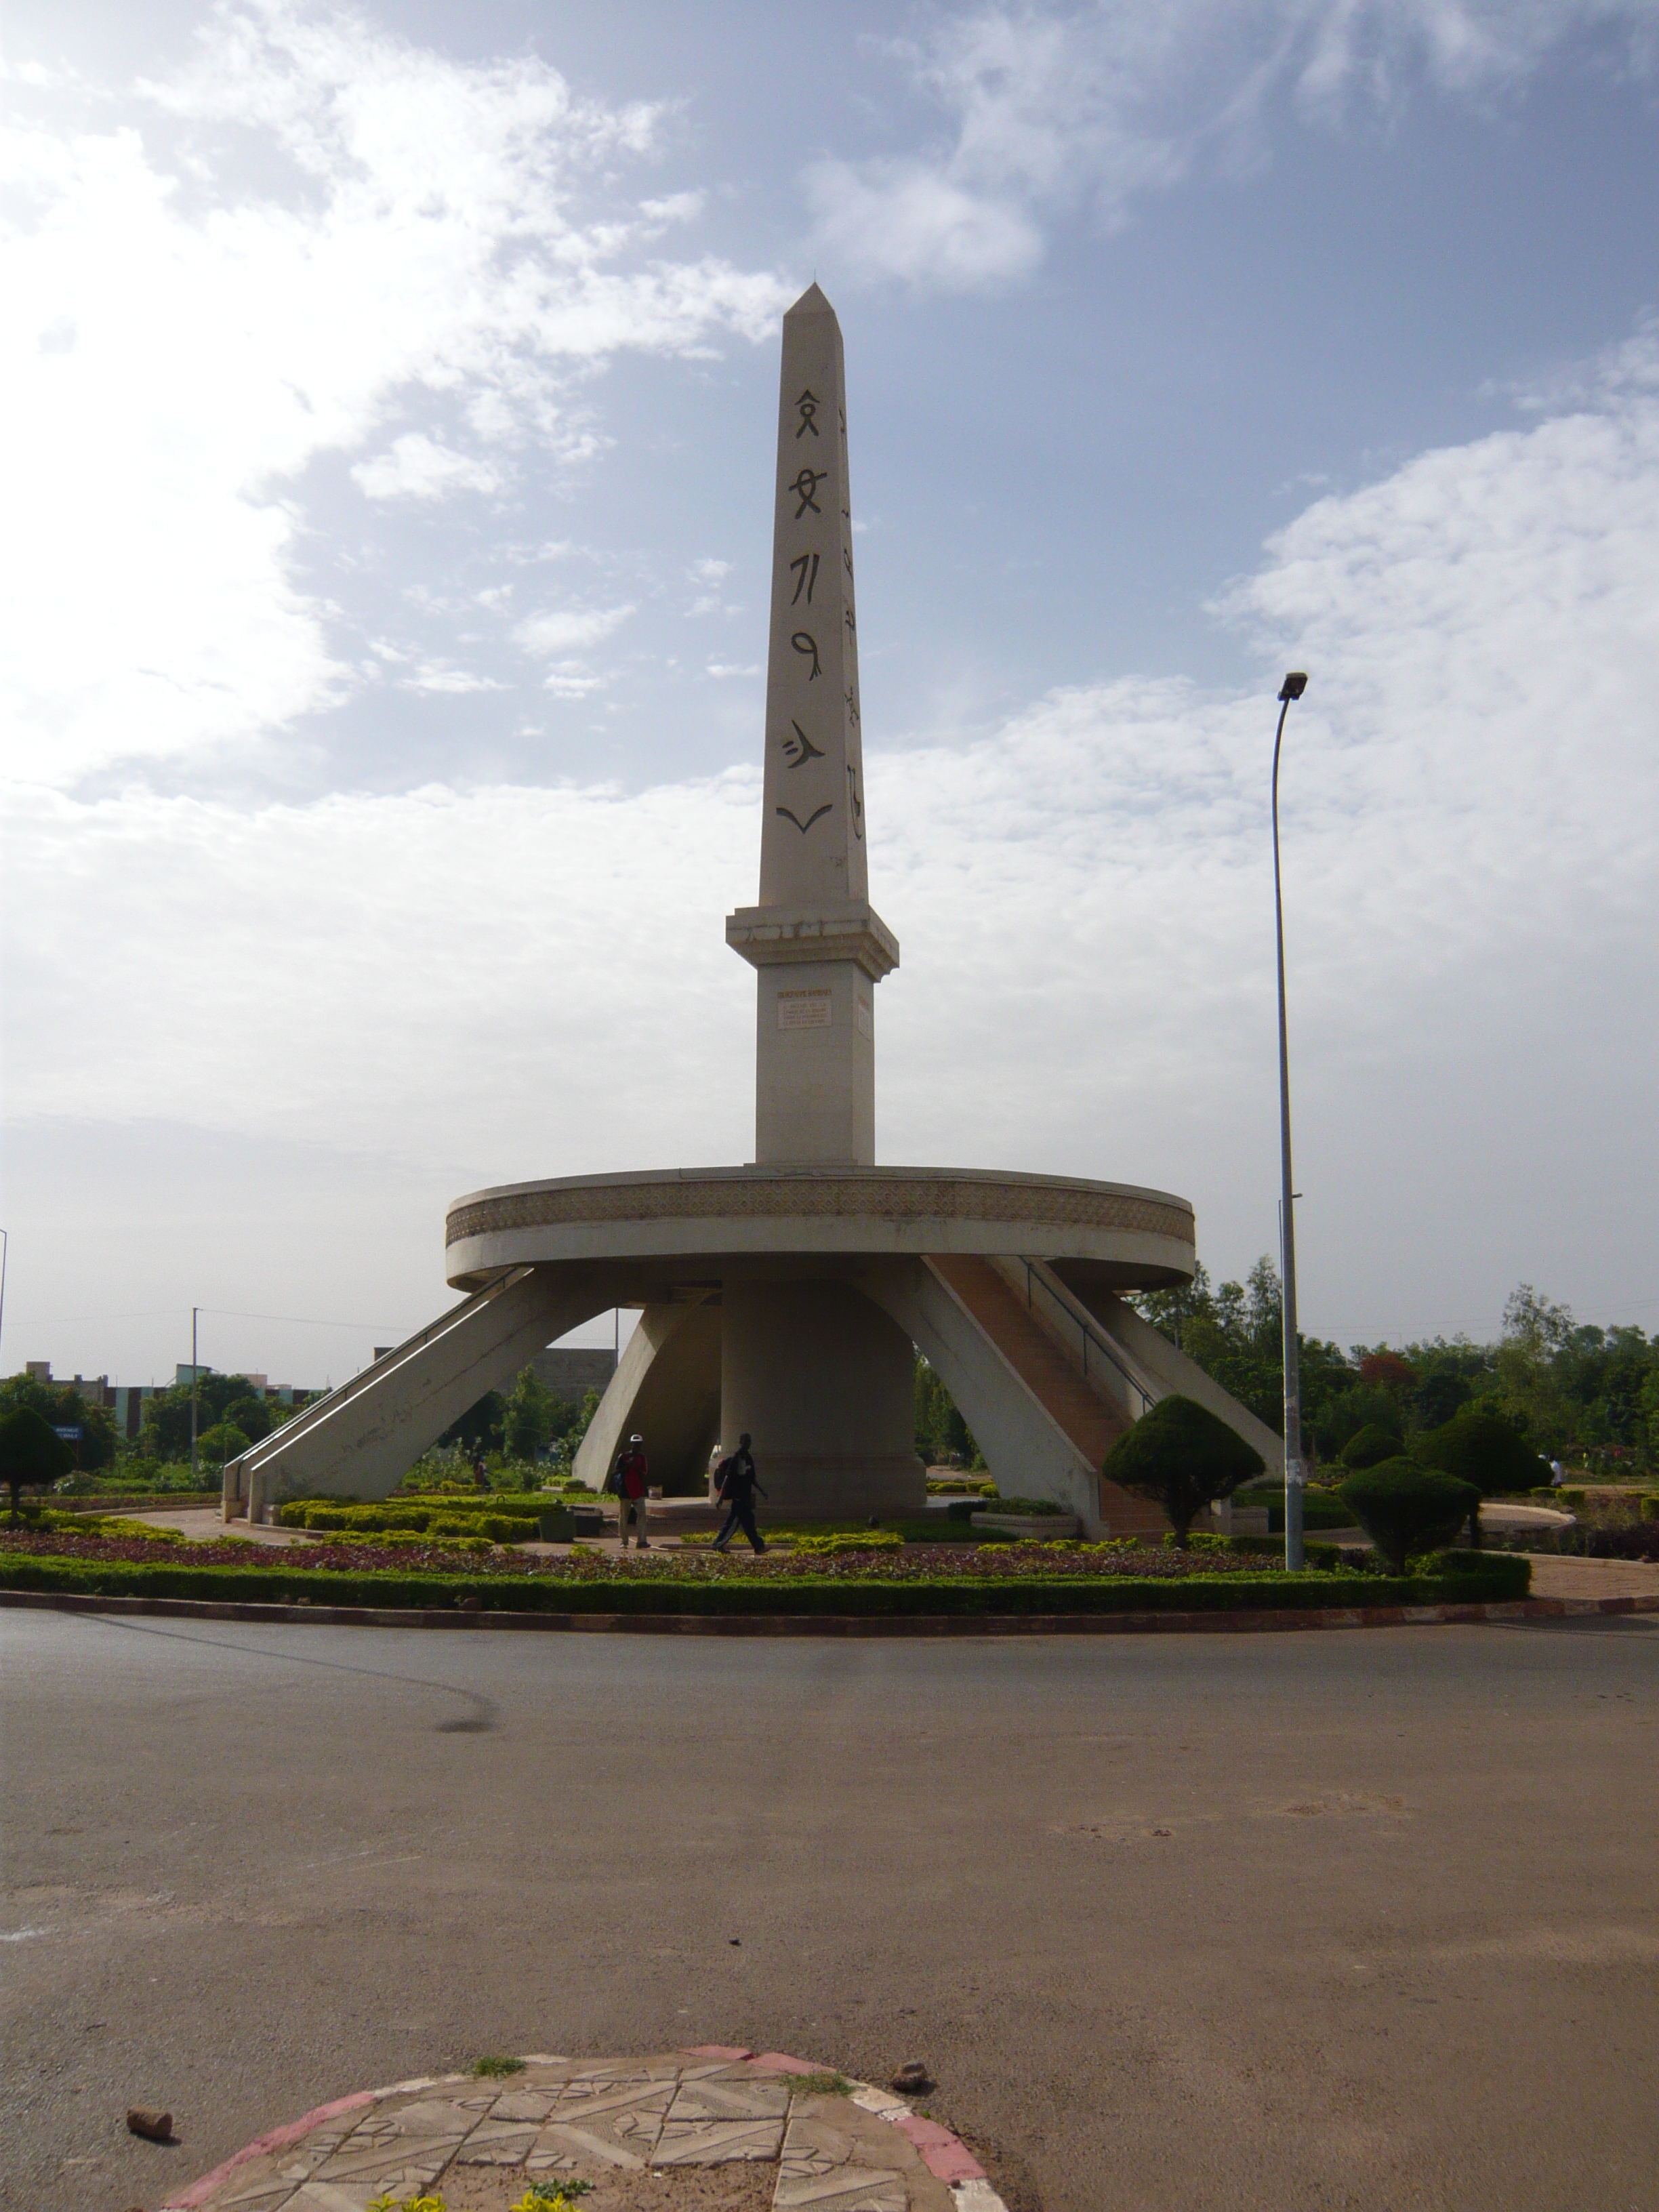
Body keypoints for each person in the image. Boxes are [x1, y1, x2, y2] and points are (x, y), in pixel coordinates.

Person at [711, 1432, 766, 1554]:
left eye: (749, 1441)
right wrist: (720, 1498)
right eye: (746, 1441)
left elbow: (752, 1478)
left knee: (746, 1523)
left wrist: (762, 1491)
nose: (748, 1443)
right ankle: (758, 1546)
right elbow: (728, 1478)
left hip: (745, 1498)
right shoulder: (736, 1458)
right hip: (739, 1499)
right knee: (738, 1523)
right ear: (741, 1442)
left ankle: (758, 1546)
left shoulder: (748, 1458)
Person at [614, 1432, 650, 1549]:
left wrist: (636, 1466)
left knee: (642, 1515)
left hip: (638, 1491)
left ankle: (642, 1541)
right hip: (625, 1490)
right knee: (624, 1517)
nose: (637, 1446)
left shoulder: (642, 1458)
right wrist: (628, 1466)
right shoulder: (623, 1457)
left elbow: (644, 1473)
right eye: (635, 1444)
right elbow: (616, 1472)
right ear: (631, 1444)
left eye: (639, 1444)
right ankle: (624, 1541)